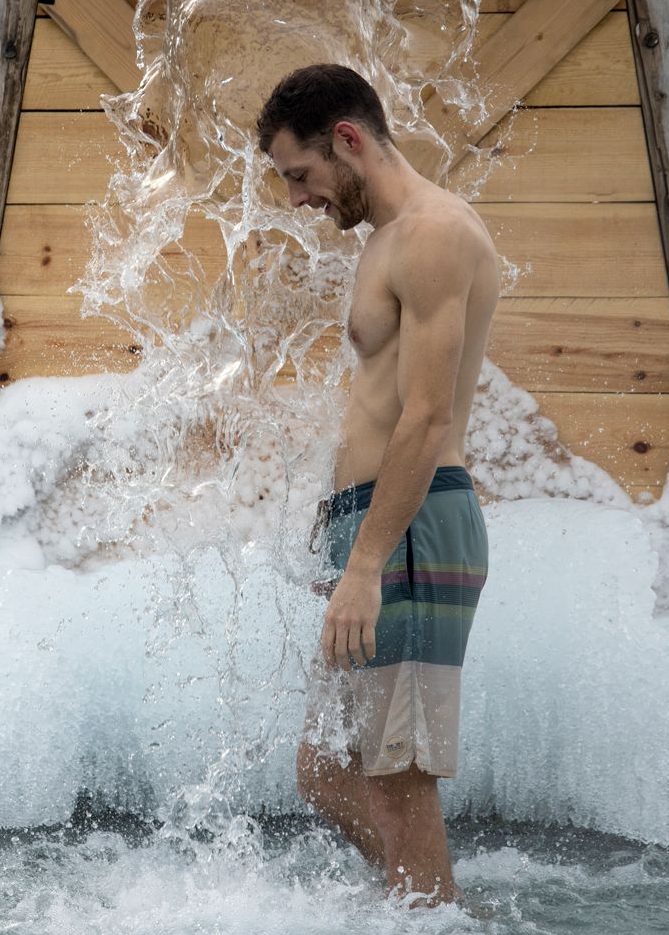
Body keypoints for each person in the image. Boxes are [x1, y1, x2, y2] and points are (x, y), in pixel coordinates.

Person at [256, 64, 499, 907]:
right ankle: (422, 895)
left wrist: (365, 564)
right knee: (324, 772)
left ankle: (429, 905)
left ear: (349, 141)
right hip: (372, 528)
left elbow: (428, 418)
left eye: (301, 173)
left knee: (397, 775)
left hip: (410, 533)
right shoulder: (385, 241)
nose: (297, 198)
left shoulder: (436, 234)